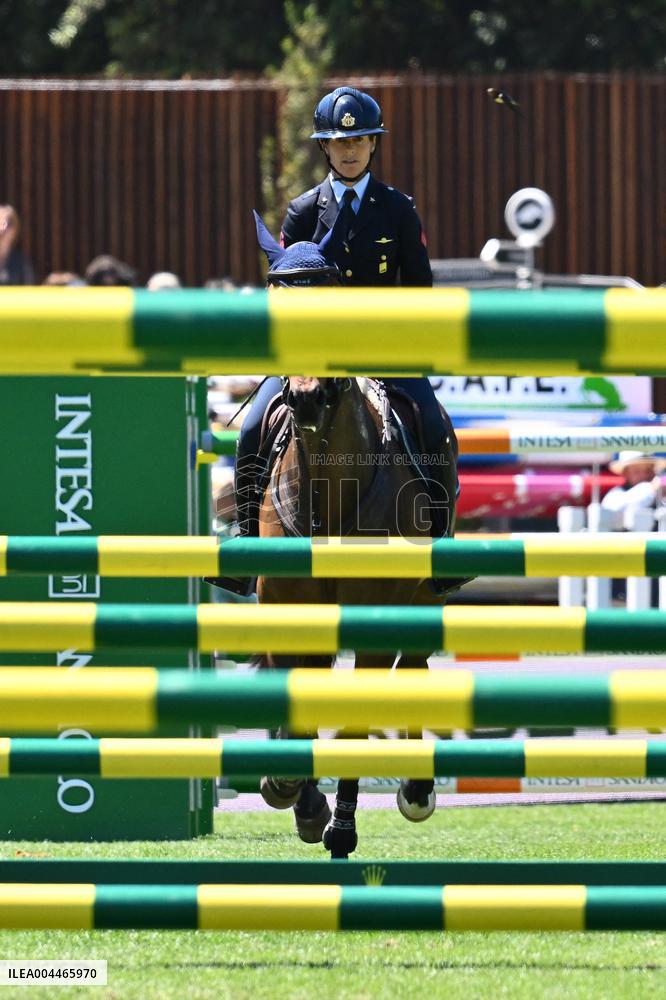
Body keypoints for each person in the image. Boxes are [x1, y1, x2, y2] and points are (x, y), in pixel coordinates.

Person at [601, 451, 666, 518]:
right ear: (625, 472)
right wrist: (652, 488)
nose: (644, 475)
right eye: (637, 471)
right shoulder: (614, 496)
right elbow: (615, 509)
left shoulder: (660, 493)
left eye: (648, 470)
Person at [0, 205, 35, 285]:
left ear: (15, 230)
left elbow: (29, 288)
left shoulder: (21, 263)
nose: (2, 229)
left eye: (8, 224)